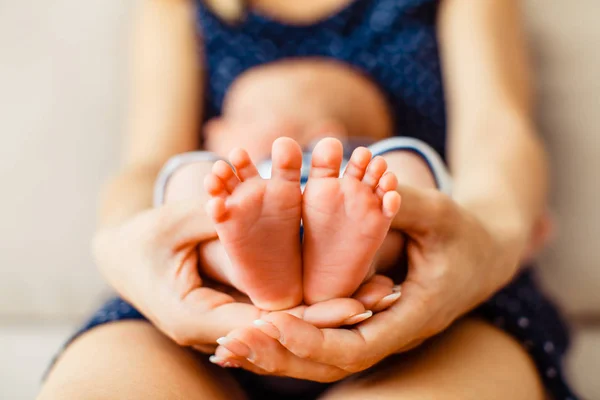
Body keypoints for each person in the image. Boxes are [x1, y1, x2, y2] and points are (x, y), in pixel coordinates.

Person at [38, 1, 579, 399]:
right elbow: (148, 162)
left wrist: (492, 236)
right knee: (186, 184)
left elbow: (499, 134)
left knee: (403, 182)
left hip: (444, 285)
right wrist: (126, 240)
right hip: (191, 301)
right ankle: (271, 261)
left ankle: (333, 258)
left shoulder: (360, 157)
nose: (215, 126)